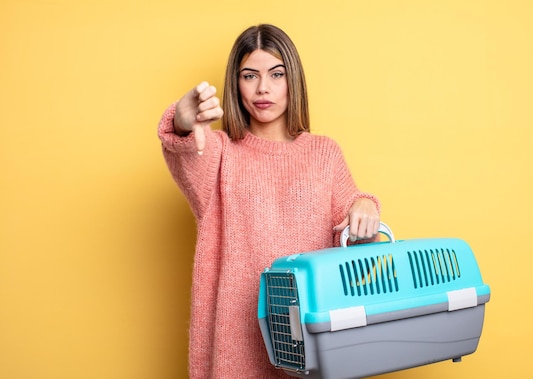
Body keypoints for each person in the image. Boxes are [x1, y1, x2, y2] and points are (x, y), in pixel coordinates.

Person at [158, 24, 381, 378]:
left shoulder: (324, 153)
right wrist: (182, 122)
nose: (263, 88)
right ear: (236, 84)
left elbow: (353, 247)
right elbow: (184, 153)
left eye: (276, 74)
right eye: (250, 75)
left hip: (312, 342)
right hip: (236, 347)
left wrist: (364, 208)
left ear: (293, 80)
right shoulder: (218, 152)